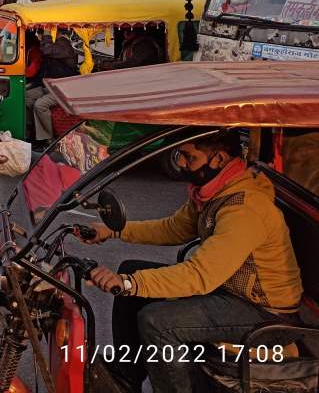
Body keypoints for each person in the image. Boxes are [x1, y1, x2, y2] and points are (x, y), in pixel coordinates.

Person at [85, 131, 303, 393]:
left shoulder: (245, 207)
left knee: (157, 321)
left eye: (190, 157)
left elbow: (201, 276)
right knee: (131, 268)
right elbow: (173, 229)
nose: (183, 164)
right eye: (181, 156)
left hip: (264, 312)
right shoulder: (213, 191)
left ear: (219, 158)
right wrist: (114, 231)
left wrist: (130, 284)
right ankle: (125, 378)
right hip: (230, 290)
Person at [31, 31, 80, 144]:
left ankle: (48, 139)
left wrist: (47, 34)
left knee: (40, 105)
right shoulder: (59, 44)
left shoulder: (64, 45)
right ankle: (32, 133)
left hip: (63, 88)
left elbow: (47, 50)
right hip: (51, 86)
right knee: (26, 97)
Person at [97, 28, 165, 71]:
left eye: (129, 30)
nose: (125, 33)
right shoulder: (128, 44)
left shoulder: (144, 44)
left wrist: (111, 65)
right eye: (125, 31)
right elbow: (121, 60)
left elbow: (133, 62)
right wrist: (106, 62)